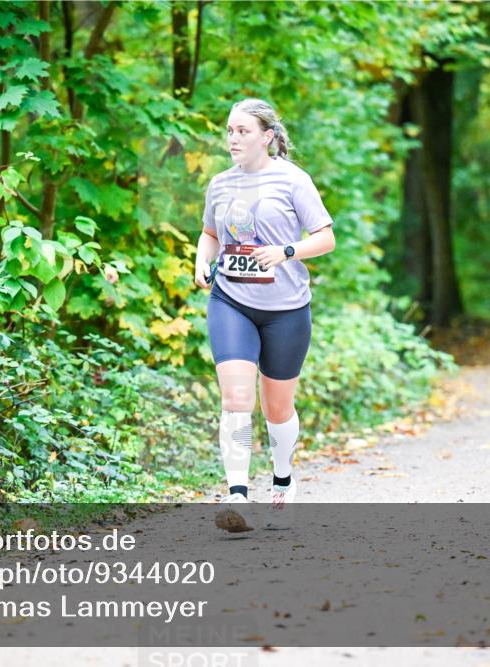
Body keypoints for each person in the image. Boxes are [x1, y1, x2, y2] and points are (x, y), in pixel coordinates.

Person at [194, 98, 336, 528]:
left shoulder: (292, 180)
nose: (233, 139)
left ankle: (283, 477)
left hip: (286, 310)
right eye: (230, 131)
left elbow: (325, 238)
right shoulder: (219, 184)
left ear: (267, 136)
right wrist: (202, 260)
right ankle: (237, 493)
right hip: (231, 301)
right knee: (236, 398)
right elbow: (209, 233)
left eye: (243, 131)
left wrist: (287, 251)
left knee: (277, 407)